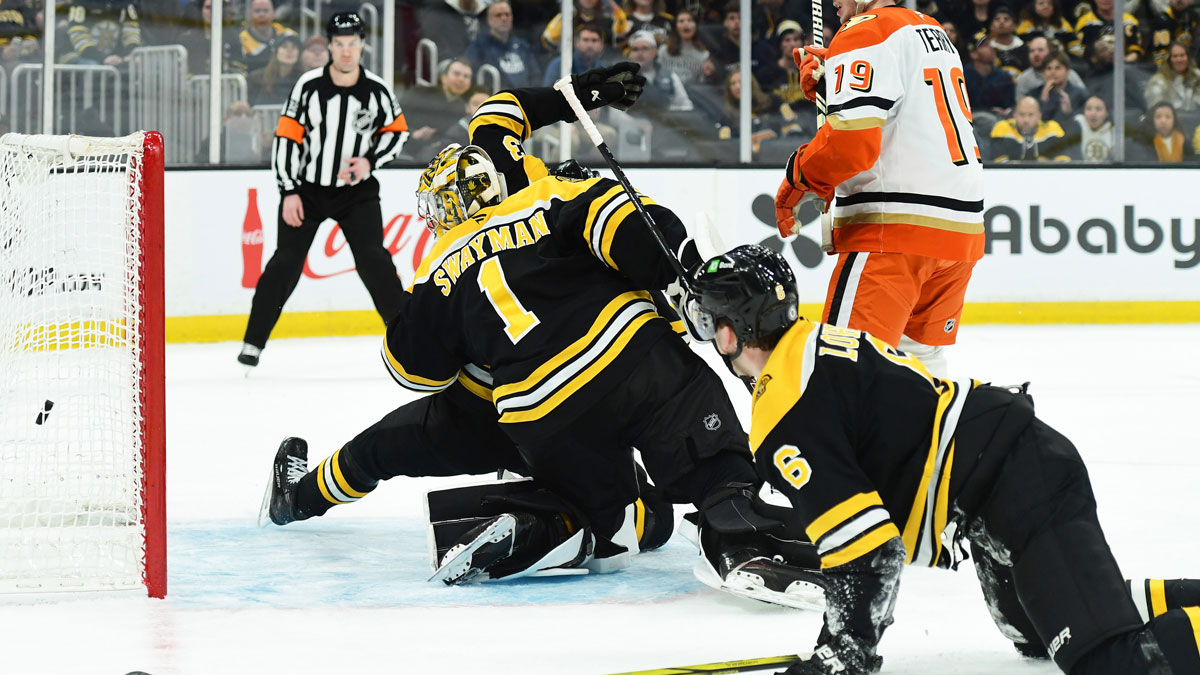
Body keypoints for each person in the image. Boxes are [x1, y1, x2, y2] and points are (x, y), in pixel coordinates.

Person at [262, 65, 825, 605]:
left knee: (612, 524)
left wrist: (462, 325)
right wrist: (684, 276)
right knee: (698, 456)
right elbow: (628, 220)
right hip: (630, 354)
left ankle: (544, 524)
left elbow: (412, 369)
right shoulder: (549, 192)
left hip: (532, 408)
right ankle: (741, 529)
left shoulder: (436, 273)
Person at [681, 243, 1200, 675]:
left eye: (709, 321)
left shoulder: (785, 407)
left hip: (1019, 482)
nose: (709, 336)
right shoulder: (807, 344)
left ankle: (1105, 609)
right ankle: (1108, 596)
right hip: (1001, 478)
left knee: (1113, 663)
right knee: (1037, 632)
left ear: (732, 330)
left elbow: (868, 550)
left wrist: (845, 653)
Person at [776, 0, 984, 380]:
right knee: (921, 377)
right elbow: (904, 118)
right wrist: (833, 85)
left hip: (895, 234)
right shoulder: (932, 29)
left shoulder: (863, 31)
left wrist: (798, 175)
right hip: (959, 235)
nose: (833, 1)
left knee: (846, 379)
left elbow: (851, 145)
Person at [237, 12, 408, 368]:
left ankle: (409, 339)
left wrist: (369, 162)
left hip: (356, 194)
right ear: (330, 46)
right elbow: (286, 138)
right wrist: (289, 191)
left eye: (353, 44)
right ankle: (253, 343)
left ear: (362, 45)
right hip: (308, 191)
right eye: (339, 44)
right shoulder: (308, 86)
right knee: (285, 263)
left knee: (374, 261)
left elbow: (397, 132)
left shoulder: (376, 90)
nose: (346, 52)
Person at [403, 57, 475, 158]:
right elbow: (397, 121)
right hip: (408, 155)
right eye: (456, 74)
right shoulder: (419, 95)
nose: (461, 79)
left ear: (469, 84)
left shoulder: (466, 109)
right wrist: (414, 134)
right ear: (444, 78)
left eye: (466, 76)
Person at [464, 1, 539, 89]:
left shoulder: (523, 47)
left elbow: (536, 77)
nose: (504, 18)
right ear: (489, 19)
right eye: (498, 15)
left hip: (524, 99)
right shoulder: (477, 49)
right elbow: (472, 81)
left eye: (507, 14)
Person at [988, 95, 1071, 161]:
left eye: (1031, 115)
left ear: (1039, 116)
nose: (1026, 120)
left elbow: (1063, 160)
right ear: (1014, 115)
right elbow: (999, 163)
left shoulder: (1052, 128)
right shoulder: (1002, 127)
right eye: (1022, 114)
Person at [59, 0, 141, 66]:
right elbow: (79, 34)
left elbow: (131, 31)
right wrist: (102, 58)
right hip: (76, 55)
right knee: (93, 66)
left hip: (111, 57)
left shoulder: (125, 3)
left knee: (136, 65)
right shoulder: (80, 2)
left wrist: (131, 53)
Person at [1015, 35, 1087, 101]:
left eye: (1040, 50)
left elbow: (1085, 98)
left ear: (1051, 52)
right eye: (1032, 51)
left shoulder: (1070, 74)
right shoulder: (1023, 79)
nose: (1036, 54)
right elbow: (1020, 106)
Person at [541, 21, 608, 86]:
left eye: (594, 40)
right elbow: (547, 94)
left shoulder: (603, 68)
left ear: (601, 45)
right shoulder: (559, 65)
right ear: (576, 43)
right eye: (585, 40)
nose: (589, 45)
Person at [239, 0, 297, 74]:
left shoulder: (287, 34)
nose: (262, 14)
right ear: (250, 15)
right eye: (257, 11)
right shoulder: (241, 39)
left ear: (273, 14)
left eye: (266, 11)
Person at [247, 32, 303, 106]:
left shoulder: (304, 79)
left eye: (294, 47)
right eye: (284, 46)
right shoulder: (256, 78)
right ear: (276, 52)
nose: (289, 51)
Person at [1035, 50, 1090, 125]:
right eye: (1049, 68)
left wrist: (1068, 112)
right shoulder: (1034, 94)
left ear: (1067, 71)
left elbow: (1085, 122)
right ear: (1043, 73)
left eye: (1058, 68)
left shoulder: (1080, 94)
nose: (1053, 72)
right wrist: (1043, 101)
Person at [1145, 41, 1200, 112]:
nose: (1179, 59)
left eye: (1182, 55)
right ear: (1169, 59)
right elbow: (1156, 111)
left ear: (1188, 58)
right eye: (1175, 56)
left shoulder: (1197, 76)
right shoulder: (1158, 81)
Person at [1060, 94, 1117, 161]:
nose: (1093, 113)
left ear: (1107, 113)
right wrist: (1065, 115)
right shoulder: (1078, 126)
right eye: (1089, 109)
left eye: (1098, 109)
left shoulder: (1115, 132)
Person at [1147, 0, 1200, 66]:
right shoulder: (1162, 20)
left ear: (1191, 1)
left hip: (1191, 62)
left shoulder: (1194, 17)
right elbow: (1160, 52)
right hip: (1169, 65)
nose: (1179, 0)